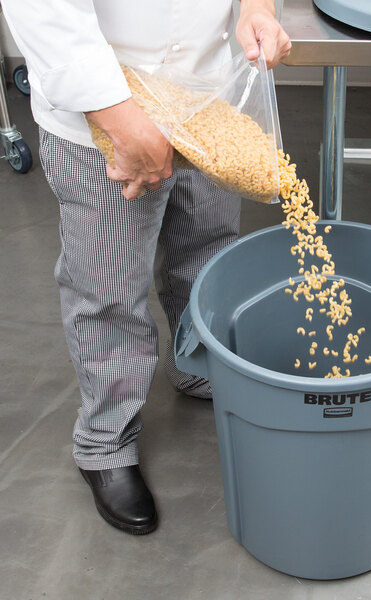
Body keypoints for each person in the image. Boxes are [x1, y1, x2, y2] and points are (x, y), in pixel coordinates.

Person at [2, 0, 291, 535]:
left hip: (206, 91)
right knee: (107, 282)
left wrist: (257, 6)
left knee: (206, 247)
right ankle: (104, 441)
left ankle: (195, 363)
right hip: (102, 106)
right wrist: (118, 115)